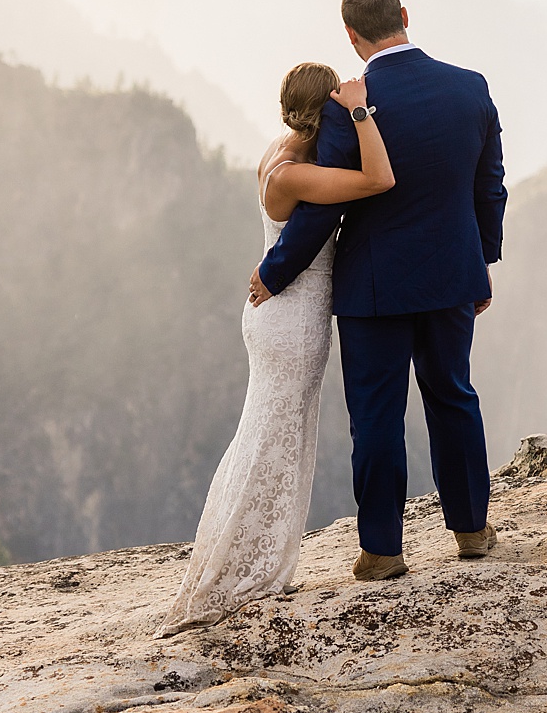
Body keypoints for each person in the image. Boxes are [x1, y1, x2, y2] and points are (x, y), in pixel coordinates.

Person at [251, 0, 506, 581]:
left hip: (373, 288)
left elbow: (324, 207)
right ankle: (471, 531)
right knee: (453, 397)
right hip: (451, 276)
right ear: (405, 16)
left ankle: (383, 551)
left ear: (351, 35)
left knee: (377, 417)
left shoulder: (348, 104)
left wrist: (275, 272)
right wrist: (482, 264)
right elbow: (488, 186)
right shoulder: (469, 88)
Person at [160, 62, 395, 632]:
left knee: (267, 433)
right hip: (292, 318)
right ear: (325, 109)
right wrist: (361, 112)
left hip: (276, 314)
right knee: (276, 438)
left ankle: (245, 552)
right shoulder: (295, 175)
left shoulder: (279, 150)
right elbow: (377, 179)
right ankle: (248, 566)